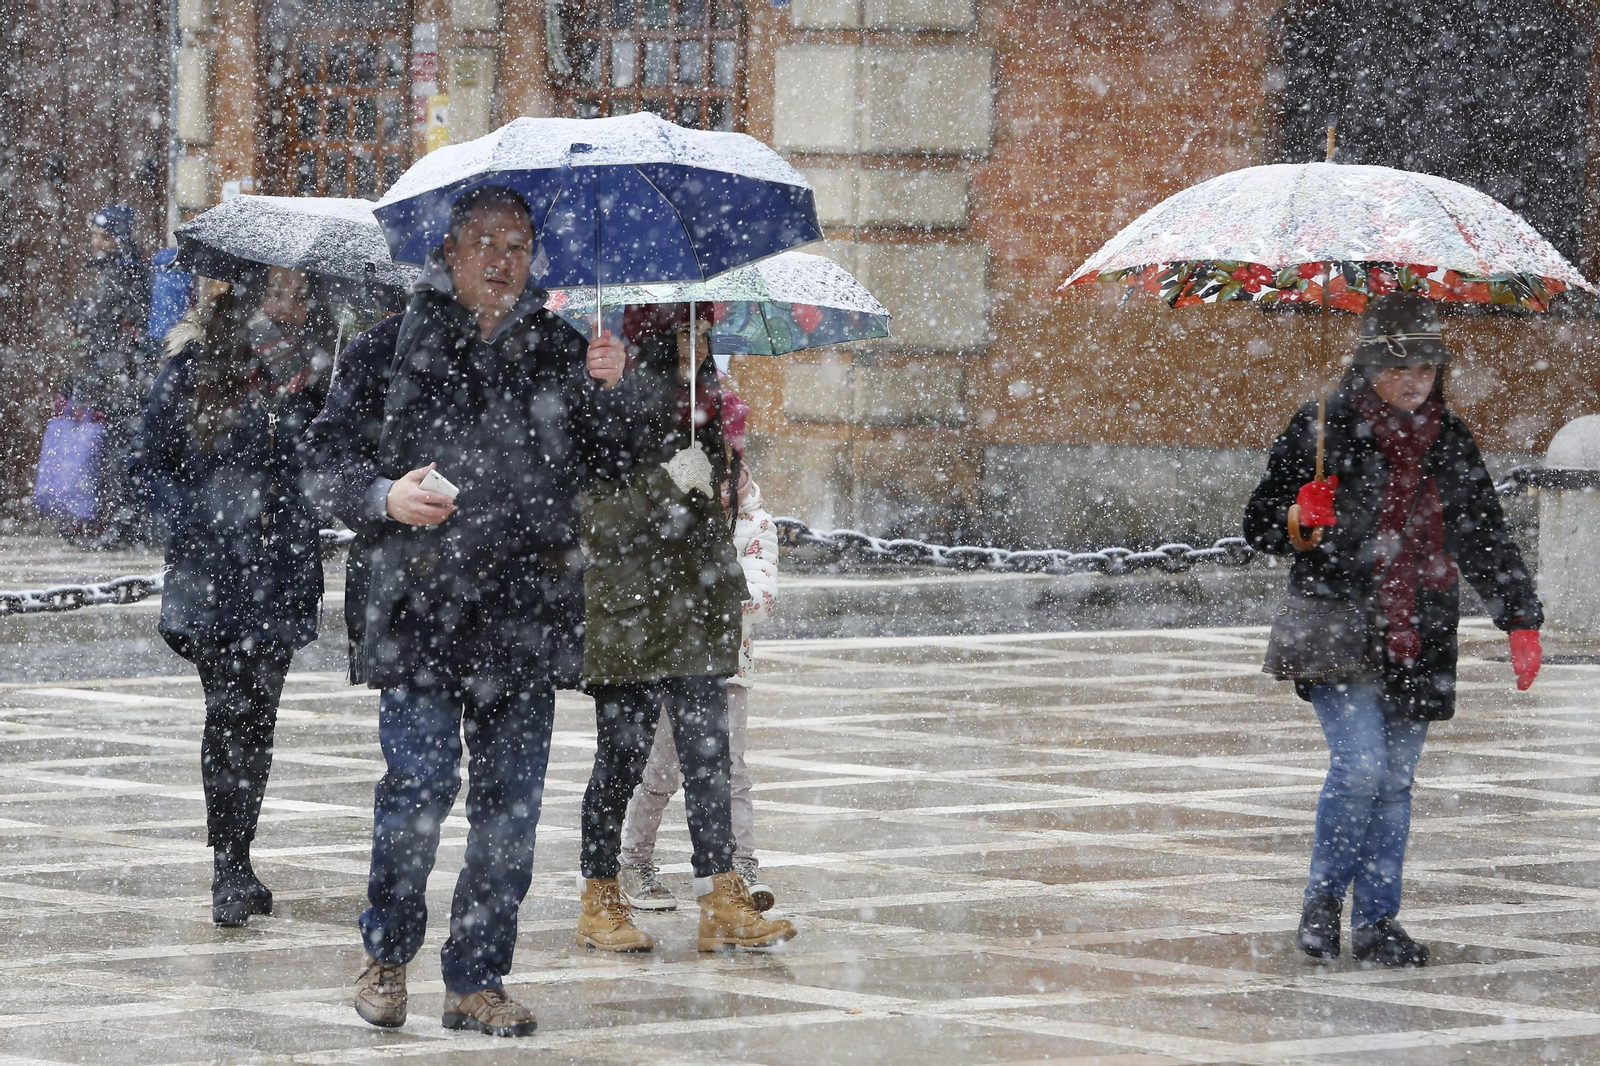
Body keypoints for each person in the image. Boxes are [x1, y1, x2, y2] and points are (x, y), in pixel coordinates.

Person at [306, 185, 628, 1038]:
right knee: (417, 789)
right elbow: (324, 464)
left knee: (510, 805)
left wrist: (609, 391)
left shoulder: (564, 351)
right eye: (484, 241)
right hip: (418, 610)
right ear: (449, 252)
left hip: (526, 612)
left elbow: (613, 468)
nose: (501, 260)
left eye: (517, 245)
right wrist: (382, 496)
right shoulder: (386, 347)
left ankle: (477, 979)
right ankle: (387, 954)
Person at [1244, 293, 1543, 968]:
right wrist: (1298, 516)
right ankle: (1323, 902)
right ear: (1368, 366)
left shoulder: (1448, 437)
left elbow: (1484, 534)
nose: (1414, 382)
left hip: (1420, 631)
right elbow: (1258, 523)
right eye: (1398, 367)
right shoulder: (1323, 425)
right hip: (1340, 624)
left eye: (1427, 368)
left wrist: (1520, 618)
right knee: (1360, 767)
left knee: (1396, 780)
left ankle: (1378, 921)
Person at [573, 304, 795, 954]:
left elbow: (715, 514)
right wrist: (666, 484)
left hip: (696, 611)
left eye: (704, 332)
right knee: (620, 762)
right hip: (631, 615)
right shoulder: (610, 403)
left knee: (709, 761)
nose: (696, 345)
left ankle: (721, 896)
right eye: (683, 332)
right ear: (652, 336)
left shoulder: (707, 407)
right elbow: (596, 518)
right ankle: (599, 895)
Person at [127, 268, 331, 927]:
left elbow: (328, 466)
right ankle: (229, 866)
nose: (289, 306)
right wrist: (198, 515)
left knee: (259, 720)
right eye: (276, 293)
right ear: (248, 298)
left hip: (281, 571)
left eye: (300, 295)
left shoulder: (318, 373)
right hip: (213, 574)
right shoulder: (196, 367)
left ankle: (241, 851)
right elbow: (144, 466)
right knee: (229, 713)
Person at [617, 388, 780, 913]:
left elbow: (759, 597)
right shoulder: (671, 514)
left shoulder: (755, 524)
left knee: (731, 770)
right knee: (660, 771)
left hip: (728, 669)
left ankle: (741, 867)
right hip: (672, 664)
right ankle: (634, 861)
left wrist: (704, 590)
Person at [66, 206, 152, 543]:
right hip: (122, 378)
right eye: (94, 235)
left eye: (103, 236)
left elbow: (104, 323)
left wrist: (82, 316)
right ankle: (120, 521)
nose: (95, 242)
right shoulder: (120, 270)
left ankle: (122, 524)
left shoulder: (123, 273)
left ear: (119, 239)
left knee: (119, 453)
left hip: (124, 380)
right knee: (118, 450)